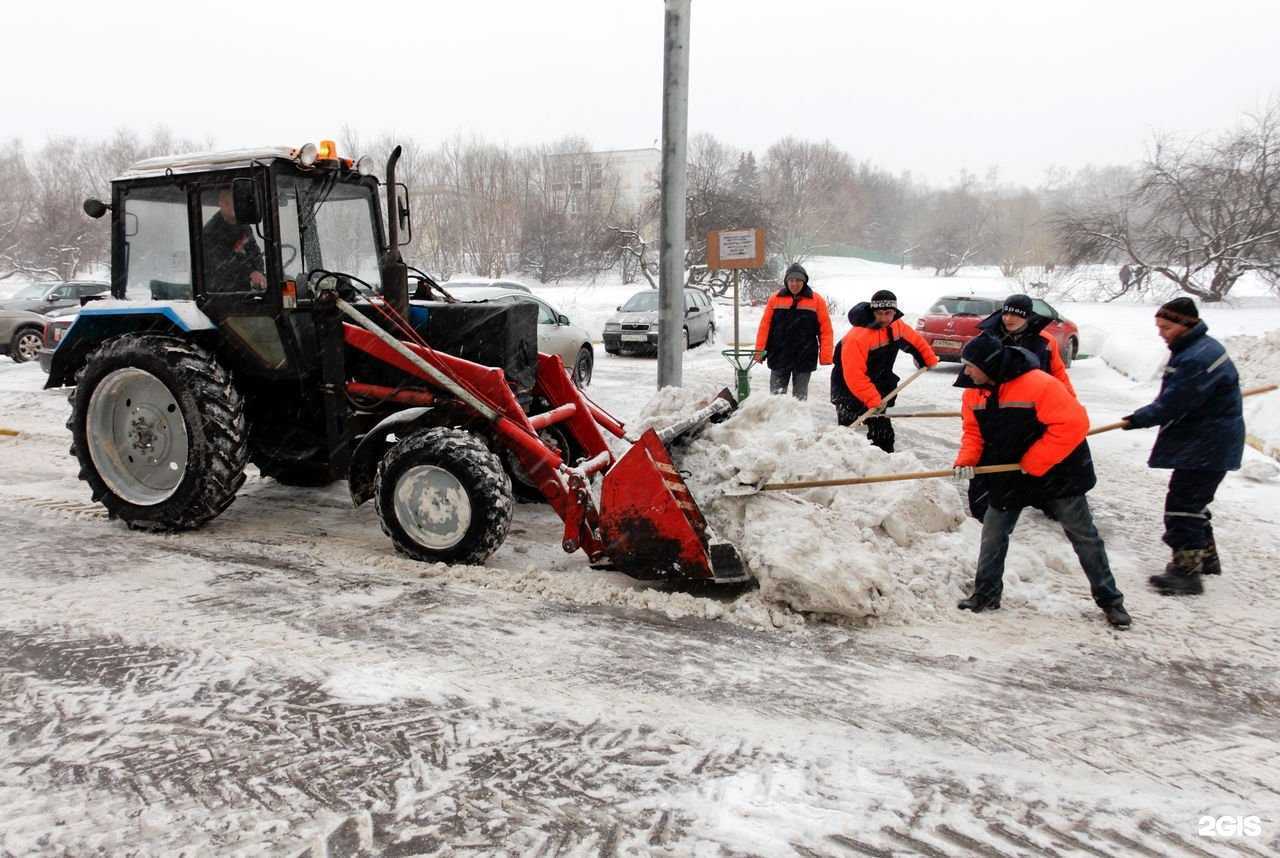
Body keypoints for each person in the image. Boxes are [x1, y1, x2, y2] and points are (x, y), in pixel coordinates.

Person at [952, 333, 1131, 629]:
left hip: (1058, 472)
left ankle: (1110, 601)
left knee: (1083, 536)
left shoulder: (1040, 384)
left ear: (988, 364)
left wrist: (1035, 461)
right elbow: (973, 432)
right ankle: (985, 594)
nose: (966, 372)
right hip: (1008, 473)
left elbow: (1073, 424)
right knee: (993, 533)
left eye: (970, 365)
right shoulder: (974, 392)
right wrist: (967, 460)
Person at [1121, 297, 1244, 596]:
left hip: (1207, 442)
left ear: (1184, 325)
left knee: (1183, 506)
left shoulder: (1196, 358)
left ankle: (1186, 573)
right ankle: (1206, 559)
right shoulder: (1200, 348)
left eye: (1165, 327)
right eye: (1158, 326)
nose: (1161, 332)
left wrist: (1138, 419)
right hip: (1211, 439)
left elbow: (1174, 403)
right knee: (1194, 502)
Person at [830, 289, 939, 452]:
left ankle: (884, 459)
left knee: (883, 434)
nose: (883, 318)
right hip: (848, 390)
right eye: (879, 313)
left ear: (894, 312)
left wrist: (928, 358)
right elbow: (854, 375)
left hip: (880, 384)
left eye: (888, 313)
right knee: (850, 434)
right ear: (873, 311)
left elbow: (916, 342)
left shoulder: (896, 326)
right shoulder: (857, 337)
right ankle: (844, 463)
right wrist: (872, 399)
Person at [753, 262, 834, 400]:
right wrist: (760, 351)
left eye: (798, 280)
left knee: (799, 399)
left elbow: (825, 330)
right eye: (791, 280)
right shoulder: (775, 298)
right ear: (786, 281)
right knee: (776, 398)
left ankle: (797, 421)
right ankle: (777, 421)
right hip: (779, 355)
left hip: (804, 355)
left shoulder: (817, 301)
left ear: (804, 282)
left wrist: (825, 355)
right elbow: (765, 327)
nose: (794, 284)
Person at [976, 294, 1076, 397]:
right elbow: (974, 375)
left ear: (1027, 316)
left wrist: (1071, 400)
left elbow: (1058, 374)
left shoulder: (1046, 341)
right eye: (1005, 314)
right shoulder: (988, 339)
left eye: (1015, 315)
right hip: (997, 402)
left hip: (1034, 402)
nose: (1008, 318)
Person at [202, 187, 267, 293]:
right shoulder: (211, 232)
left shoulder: (243, 225)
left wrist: (259, 272)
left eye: (235, 203)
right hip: (220, 294)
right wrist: (250, 273)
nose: (233, 207)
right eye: (228, 203)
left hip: (244, 292)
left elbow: (255, 252)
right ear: (221, 204)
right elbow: (222, 264)